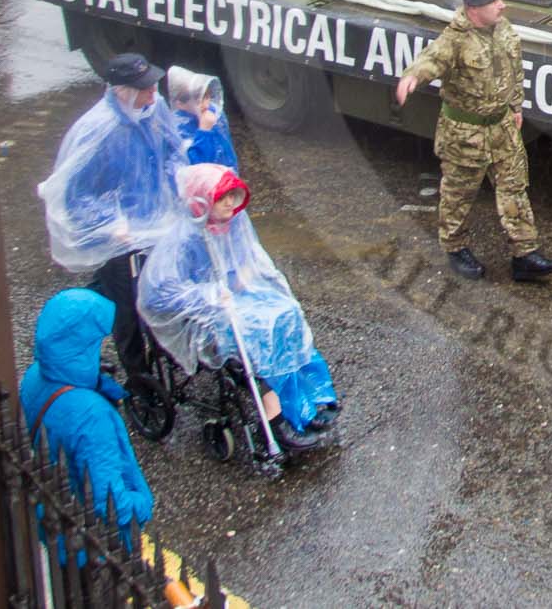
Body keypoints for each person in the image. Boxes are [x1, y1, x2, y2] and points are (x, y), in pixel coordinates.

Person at [137, 164, 337, 451]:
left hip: (235, 301)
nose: (230, 203)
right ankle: (274, 417)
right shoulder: (182, 240)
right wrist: (207, 295)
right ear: (203, 201)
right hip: (205, 316)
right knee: (263, 334)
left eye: (233, 195)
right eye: (222, 197)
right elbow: (157, 294)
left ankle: (309, 398)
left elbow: (244, 266)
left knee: (287, 314)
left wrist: (247, 280)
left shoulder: (233, 224)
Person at [37, 52, 186, 396]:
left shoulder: (153, 110)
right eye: (144, 88)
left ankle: (165, 350)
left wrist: (180, 182)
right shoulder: (97, 130)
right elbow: (73, 193)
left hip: (154, 226)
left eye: (152, 85)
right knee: (127, 310)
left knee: (161, 292)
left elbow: (173, 150)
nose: (153, 93)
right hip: (118, 238)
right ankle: (139, 378)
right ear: (121, 91)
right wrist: (110, 223)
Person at [394, 0, 552, 283]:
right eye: (494, 1)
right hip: (465, 135)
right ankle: (456, 249)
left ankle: (525, 255)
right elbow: (430, 61)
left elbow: (514, 70)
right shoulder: (454, 39)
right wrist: (412, 78)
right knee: (459, 194)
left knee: (514, 190)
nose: (502, 5)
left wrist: (516, 106)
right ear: (473, 9)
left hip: (502, 128)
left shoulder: (503, 28)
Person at [18, 290, 155, 538]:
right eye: (96, 342)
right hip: (92, 545)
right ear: (82, 346)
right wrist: (143, 503)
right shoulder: (91, 415)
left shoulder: (34, 377)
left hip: (56, 519)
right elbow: (111, 505)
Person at [167, 66, 238, 170]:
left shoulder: (214, 112)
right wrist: (204, 131)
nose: (206, 104)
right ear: (180, 104)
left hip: (227, 177)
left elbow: (226, 150)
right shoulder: (178, 128)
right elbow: (194, 167)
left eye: (207, 97)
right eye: (198, 100)